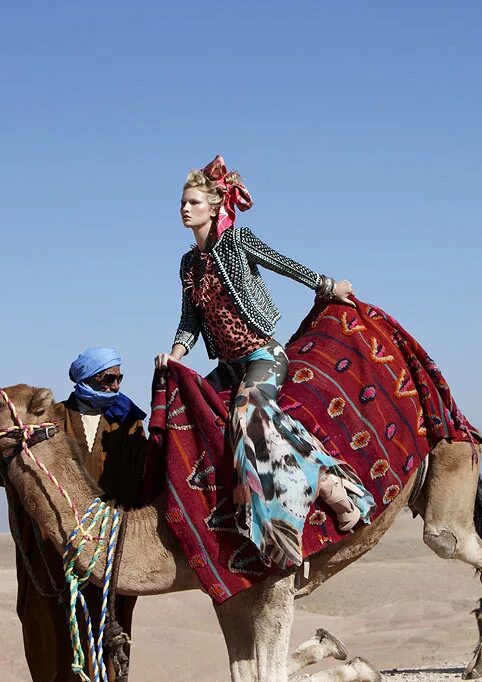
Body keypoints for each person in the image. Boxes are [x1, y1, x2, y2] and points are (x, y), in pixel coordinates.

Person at [154, 155, 373, 569]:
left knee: (245, 415)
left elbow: (283, 263)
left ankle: (330, 488)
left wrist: (328, 286)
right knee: (188, 415)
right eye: (182, 203)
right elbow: (189, 321)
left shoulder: (238, 241)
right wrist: (175, 356)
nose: (185, 209)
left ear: (215, 206)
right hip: (228, 364)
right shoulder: (188, 264)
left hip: (262, 356)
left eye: (194, 203)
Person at [0, 346, 150, 681]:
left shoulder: (129, 423)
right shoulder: (49, 419)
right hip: (55, 547)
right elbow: (9, 465)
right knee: (52, 623)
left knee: (108, 631)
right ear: (88, 376)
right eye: (108, 378)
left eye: (120, 377)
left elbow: (143, 479)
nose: (116, 385)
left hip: (107, 547)